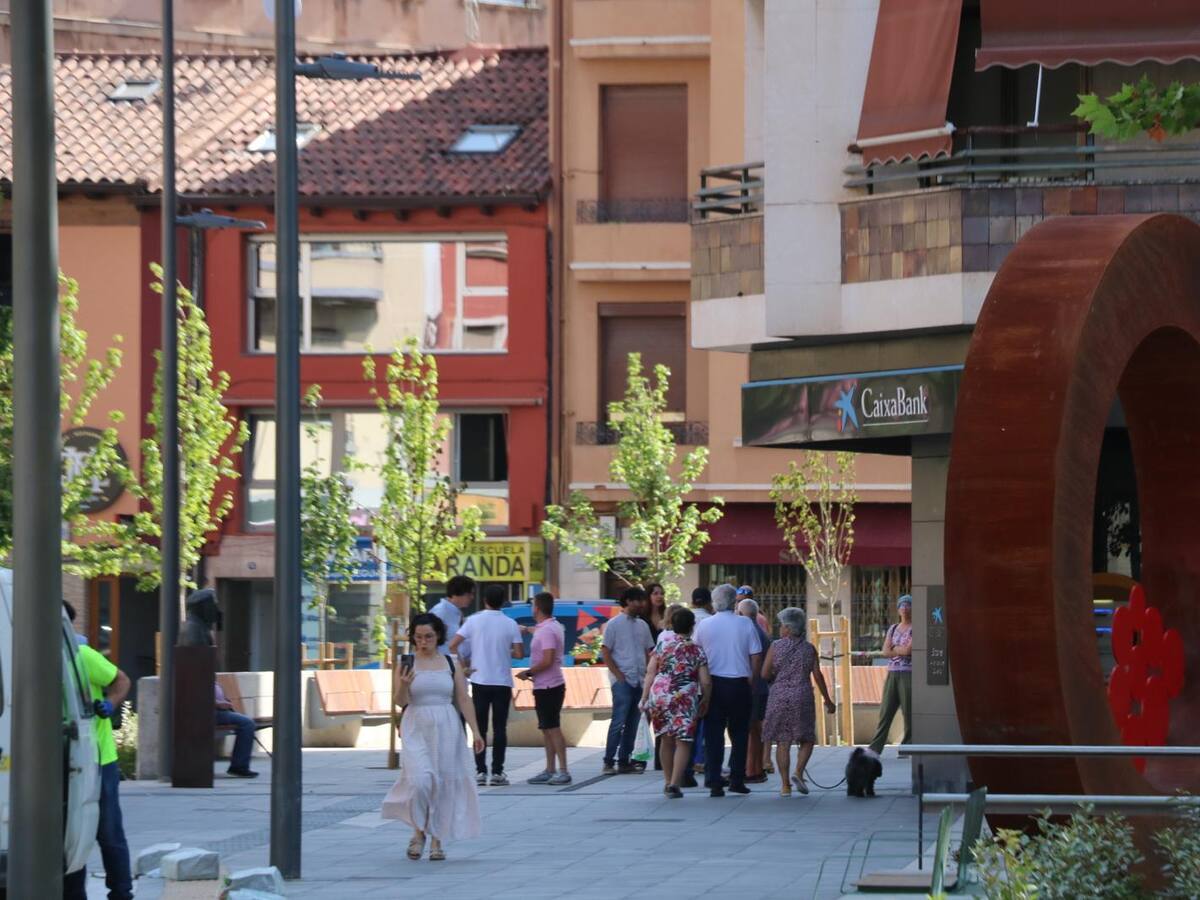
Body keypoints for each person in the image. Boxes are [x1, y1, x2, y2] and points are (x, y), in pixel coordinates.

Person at [383, 613, 484, 861]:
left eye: (428, 636)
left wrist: (476, 731)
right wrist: (404, 684)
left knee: (443, 781)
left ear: (438, 636)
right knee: (421, 780)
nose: (423, 642)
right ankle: (418, 831)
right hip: (416, 723)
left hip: (446, 724)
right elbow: (400, 701)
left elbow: (463, 698)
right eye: (418, 637)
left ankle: (436, 838)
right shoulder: (406, 663)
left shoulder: (451, 662)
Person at [63, 600, 133, 900]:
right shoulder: (36, 655)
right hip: (66, 757)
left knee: (108, 830)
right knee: (70, 830)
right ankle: (73, 893)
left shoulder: (82, 655)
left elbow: (121, 680)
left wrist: (110, 704)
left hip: (98, 756)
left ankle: (121, 892)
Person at [449, 585, 523, 786]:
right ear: (504, 601)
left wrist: (464, 666)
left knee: (479, 727)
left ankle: (480, 771)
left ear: (484, 600)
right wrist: (503, 650)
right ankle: (498, 772)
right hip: (502, 682)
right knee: (500, 728)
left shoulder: (473, 621)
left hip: (479, 680)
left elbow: (453, 645)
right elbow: (519, 653)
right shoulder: (511, 624)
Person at [693, 584, 763, 796]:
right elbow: (756, 655)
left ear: (714, 602)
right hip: (740, 684)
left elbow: (697, 655)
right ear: (735, 602)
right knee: (740, 734)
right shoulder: (745, 623)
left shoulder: (704, 625)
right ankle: (737, 779)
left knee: (714, 735)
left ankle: (714, 780)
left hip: (713, 684)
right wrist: (752, 680)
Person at [763, 606, 836, 796]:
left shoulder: (775, 646)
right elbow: (818, 676)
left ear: (788, 628)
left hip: (779, 696)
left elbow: (764, 673)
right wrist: (828, 701)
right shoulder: (809, 649)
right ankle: (798, 772)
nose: (780, 628)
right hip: (802, 696)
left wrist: (776, 676)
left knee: (783, 741)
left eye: (781, 625)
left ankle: (785, 786)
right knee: (807, 739)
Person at [640, 608, 711, 798]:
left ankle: (667, 780)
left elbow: (650, 672)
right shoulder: (696, 650)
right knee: (683, 741)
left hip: (659, 695)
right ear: (692, 627)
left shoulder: (662, 645)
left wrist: (644, 697)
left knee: (665, 739)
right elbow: (705, 681)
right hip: (684, 697)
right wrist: (706, 698)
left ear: (672, 624)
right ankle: (674, 784)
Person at [517, 592, 571, 785]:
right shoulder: (551, 626)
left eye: (533, 605)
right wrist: (526, 629)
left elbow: (547, 659)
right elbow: (539, 632)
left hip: (549, 685)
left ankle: (563, 770)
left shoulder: (547, 630)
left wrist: (528, 672)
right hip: (546, 685)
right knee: (546, 728)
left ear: (537, 608)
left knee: (553, 728)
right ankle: (550, 769)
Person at [600, 586, 655, 775]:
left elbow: (648, 651)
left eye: (642, 600)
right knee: (618, 721)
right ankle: (608, 761)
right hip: (622, 679)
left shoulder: (643, 625)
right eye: (638, 600)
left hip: (639, 679)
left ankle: (624, 761)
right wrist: (618, 674)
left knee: (633, 722)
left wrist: (648, 675)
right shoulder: (614, 624)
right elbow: (605, 651)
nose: (641, 604)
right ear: (628, 601)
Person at [869, 594, 914, 754]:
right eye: (902, 605)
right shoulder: (893, 628)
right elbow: (885, 651)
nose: (904, 608)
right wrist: (899, 650)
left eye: (908, 605)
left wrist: (894, 648)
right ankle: (875, 748)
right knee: (886, 711)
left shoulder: (915, 628)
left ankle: (908, 746)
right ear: (898, 609)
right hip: (892, 673)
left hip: (908, 673)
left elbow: (908, 651)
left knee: (909, 712)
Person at [738, 598, 772, 784]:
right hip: (761, 687)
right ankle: (756, 768)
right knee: (755, 730)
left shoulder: (749, 632)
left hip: (753, 687)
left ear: (742, 614)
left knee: (751, 730)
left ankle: (751, 770)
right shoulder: (761, 632)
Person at [216, 680, 259, 778]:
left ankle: (239, 765)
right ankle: (239, 766)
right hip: (212, 712)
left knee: (247, 723)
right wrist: (217, 704)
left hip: (221, 711)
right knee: (247, 723)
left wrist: (225, 702)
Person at [429, 574, 475, 657]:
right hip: (442, 661)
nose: (472, 597)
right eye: (469, 594)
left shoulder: (457, 613)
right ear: (456, 593)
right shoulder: (440, 613)